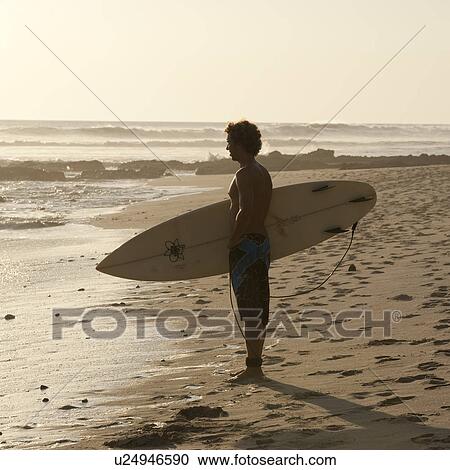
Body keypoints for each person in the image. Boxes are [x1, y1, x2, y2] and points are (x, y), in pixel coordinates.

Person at [226, 120, 272, 381]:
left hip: (245, 247)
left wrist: (233, 240)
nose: (227, 148)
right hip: (262, 244)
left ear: (241, 144)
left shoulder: (244, 174)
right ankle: (255, 364)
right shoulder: (262, 171)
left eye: (230, 143)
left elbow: (244, 211)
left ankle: (254, 369)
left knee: (250, 310)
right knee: (258, 308)